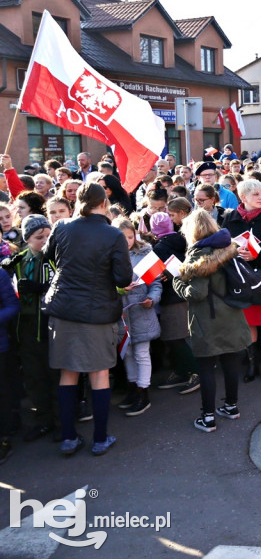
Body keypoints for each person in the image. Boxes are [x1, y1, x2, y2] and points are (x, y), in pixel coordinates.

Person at [43, 182, 133, 457]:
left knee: (68, 374)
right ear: (104, 203)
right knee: (99, 375)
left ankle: (69, 438)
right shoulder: (112, 234)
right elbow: (123, 278)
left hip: (65, 308)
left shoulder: (62, 227)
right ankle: (100, 438)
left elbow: (48, 255)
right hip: (97, 311)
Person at [173, 211, 250, 433]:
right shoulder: (228, 247)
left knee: (206, 368)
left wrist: (177, 283)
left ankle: (207, 418)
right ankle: (231, 406)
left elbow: (196, 293)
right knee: (230, 363)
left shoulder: (199, 255)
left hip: (208, 319)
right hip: (232, 315)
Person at [222, 179, 261, 383]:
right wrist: (234, 250)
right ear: (243, 198)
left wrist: (258, 255)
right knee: (248, 322)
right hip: (241, 277)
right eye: (256, 195)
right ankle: (252, 363)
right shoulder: (230, 217)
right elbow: (223, 245)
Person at [2, 215, 55, 443]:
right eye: (38, 237)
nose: (44, 240)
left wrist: (42, 287)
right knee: (34, 376)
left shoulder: (56, 257)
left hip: (52, 324)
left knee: (56, 374)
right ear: (27, 238)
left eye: (47, 236)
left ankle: (63, 420)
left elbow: (66, 284)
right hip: (25, 326)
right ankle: (43, 420)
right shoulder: (19, 259)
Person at [112, 217, 161, 417]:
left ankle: (143, 391)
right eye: (122, 238)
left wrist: (152, 298)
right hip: (121, 313)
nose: (127, 242)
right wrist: (119, 290)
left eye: (130, 237)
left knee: (141, 352)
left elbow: (156, 283)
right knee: (127, 352)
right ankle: (132, 388)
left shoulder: (145, 254)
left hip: (141, 310)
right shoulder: (109, 256)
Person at [150, 207, 200, 395]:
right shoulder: (183, 241)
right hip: (182, 293)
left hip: (171, 297)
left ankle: (195, 372)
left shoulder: (159, 248)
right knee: (177, 337)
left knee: (175, 337)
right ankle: (182, 371)